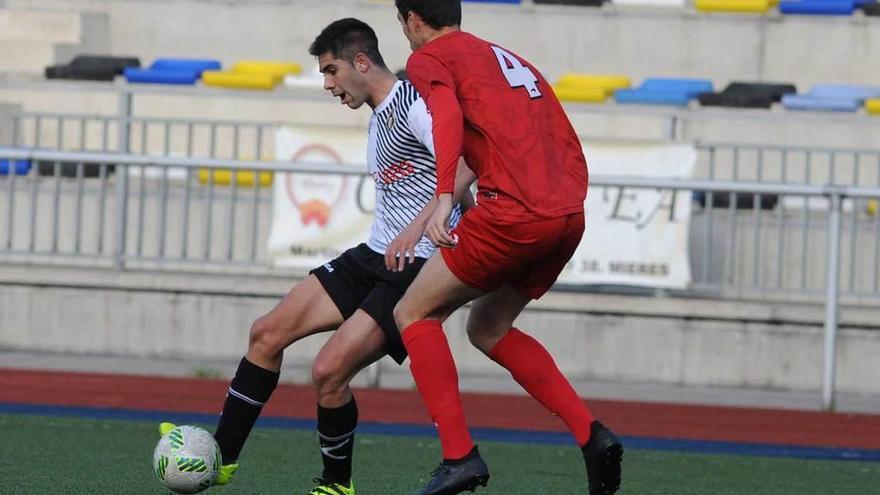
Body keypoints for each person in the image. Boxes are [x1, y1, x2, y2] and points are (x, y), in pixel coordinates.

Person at [161, 17, 474, 495]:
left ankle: (336, 484)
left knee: (328, 372)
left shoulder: (414, 105)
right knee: (266, 333)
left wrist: (443, 220)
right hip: (374, 254)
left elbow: (467, 159)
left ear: (361, 62)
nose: (327, 85)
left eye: (331, 71)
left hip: (413, 270)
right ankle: (220, 460)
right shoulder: (381, 113)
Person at [390, 2, 624, 495]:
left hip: (515, 216)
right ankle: (591, 435)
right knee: (488, 327)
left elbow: (447, 117)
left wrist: (438, 199)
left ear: (412, 19)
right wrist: (436, 210)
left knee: (413, 312)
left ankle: (459, 457)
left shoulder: (428, 57)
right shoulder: (501, 57)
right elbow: (516, 141)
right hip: (566, 215)